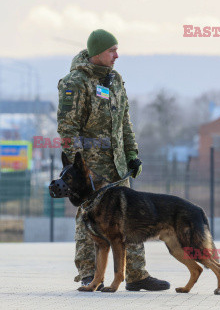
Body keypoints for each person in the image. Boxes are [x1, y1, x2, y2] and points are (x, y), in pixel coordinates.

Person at [56, 29, 170, 291]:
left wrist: (131, 154)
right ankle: (89, 274)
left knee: (130, 217)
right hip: (90, 168)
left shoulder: (114, 80)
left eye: (116, 50)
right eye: (111, 50)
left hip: (117, 165)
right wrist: (77, 168)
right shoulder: (76, 82)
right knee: (91, 222)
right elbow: (67, 128)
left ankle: (137, 275)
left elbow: (124, 124)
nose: (117, 55)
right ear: (97, 52)